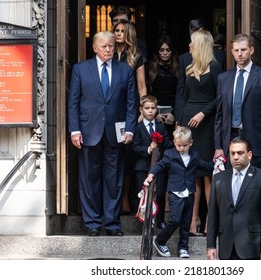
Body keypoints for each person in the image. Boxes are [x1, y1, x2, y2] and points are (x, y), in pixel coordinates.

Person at [68, 31, 136, 236]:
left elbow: (132, 103)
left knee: (114, 180)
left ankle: (112, 224)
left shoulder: (125, 71)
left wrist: (130, 129)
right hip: (89, 132)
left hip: (115, 133)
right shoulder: (81, 69)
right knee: (89, 180)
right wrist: (75, 130)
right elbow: (74, 102)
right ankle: (92, 224)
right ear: (95, 48)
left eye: (112, 46)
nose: (109, 49)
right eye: (104, 46)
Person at [177, 29, 223, 236]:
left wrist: (203, 113)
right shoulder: (188, 67)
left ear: (200, 45)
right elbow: (183, 96)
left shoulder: (215, 67)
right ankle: (193, 219)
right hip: (189, 121)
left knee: (208, 175)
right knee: (192, 173)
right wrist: (180, 124)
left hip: (206, 122)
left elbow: (220, 97)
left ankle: (209, 222)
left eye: (192, 43)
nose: (189, 46)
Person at [144, 126, 215, 258]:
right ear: (174, 142)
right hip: (175, 192)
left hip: (189, 192)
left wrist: (216, 163)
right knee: (175, 219)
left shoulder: (194, 155)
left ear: (191, 143)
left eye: (185, 145)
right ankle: (159, 241)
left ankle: (183, 247)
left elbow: (205, 166)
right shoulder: (169, 154)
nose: (182, 148)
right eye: (179, 145)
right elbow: (160, 165)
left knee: (186, 221)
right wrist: (151, 175)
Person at [214, 33, 261, 170]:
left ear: (251, 50)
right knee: (231, 185)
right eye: (236, 50)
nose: (240, 54)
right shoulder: (223, 78)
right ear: (232, 51)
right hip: (230, 139)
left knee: (254, 184)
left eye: (243, 50)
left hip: (255, 140)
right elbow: (220, 115)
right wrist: (218, 146)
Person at [206, 137, 261, 260]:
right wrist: (211, 245)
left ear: (249, 155)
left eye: (240, 153)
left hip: (252, 247)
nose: (235, 157)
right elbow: (213, 214)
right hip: (226, 247)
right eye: (232, 153)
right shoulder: (219, 179)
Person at [112, 19, 147, 214]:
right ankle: (114, 201)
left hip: (130, 109)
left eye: (122, 31)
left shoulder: (135, 55)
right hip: (110, 110)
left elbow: (141, 85)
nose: (118, 33)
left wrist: (143, 110)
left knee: (127, 156)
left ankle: (126, 198)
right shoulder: (107, 52)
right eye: (116, 30)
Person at [132, 95, 173, 229]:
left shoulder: (160, 127)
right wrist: (149, 149)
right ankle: (143, 222)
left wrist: (176, 140)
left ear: (157, 110)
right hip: (142, 166)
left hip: (159, 166)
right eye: (147, 108)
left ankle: (160, 219)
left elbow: (166, 143)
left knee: (160, 193)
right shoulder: (137, 127)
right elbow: (135, 147)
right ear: (141, 110)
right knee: (143, 194)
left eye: (153, 108)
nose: (150, 111)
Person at [148, 34, 180, 139]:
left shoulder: (178, 68)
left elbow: (181, 93)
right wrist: (155, 113)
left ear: (172, 51)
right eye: (161, 50)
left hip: (173, 111)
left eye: (168, 50)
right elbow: (149, 93)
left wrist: (174, 114)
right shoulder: (151, 68)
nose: (165, 53)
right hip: (155, 112)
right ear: (157, 51)